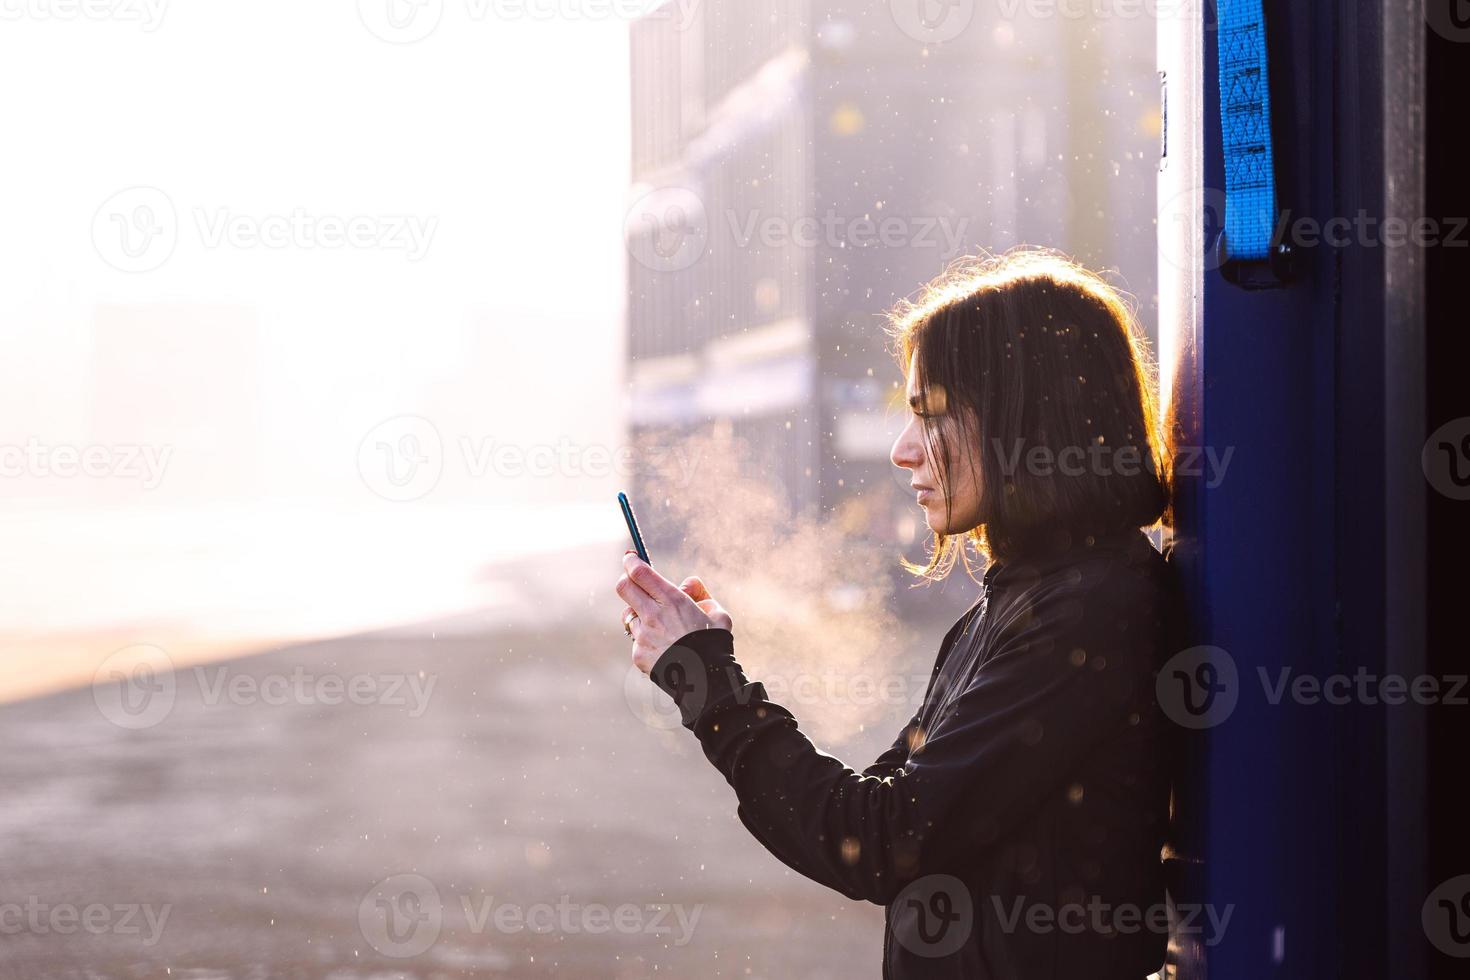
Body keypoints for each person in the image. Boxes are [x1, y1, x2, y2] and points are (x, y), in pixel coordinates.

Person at [613, 248, 1184, 979]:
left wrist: (711, 687)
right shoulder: (1018, 605)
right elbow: (861, 820)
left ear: (1026, 420)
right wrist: (706, 668)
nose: (901, 451)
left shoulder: (1087, 613)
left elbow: (884, 842)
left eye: (931, 415)